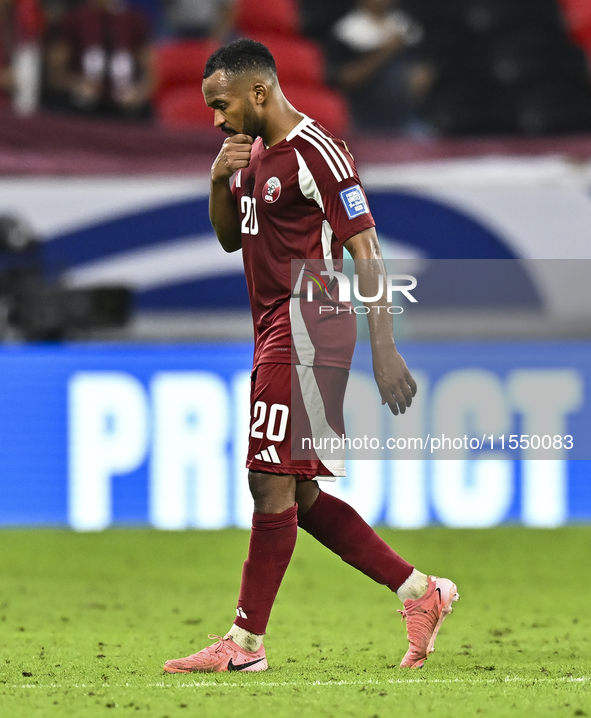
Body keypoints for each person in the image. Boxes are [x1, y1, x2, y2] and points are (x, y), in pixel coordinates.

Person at [163, 38, 458, 674]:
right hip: (274, 326)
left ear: (260, 91)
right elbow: (226, 237)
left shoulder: (317, 151)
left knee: (267, 482)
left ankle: (243, 647)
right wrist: (218, 178)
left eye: (222, 105)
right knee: (294, 492)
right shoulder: (250, 155)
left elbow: (367, 249)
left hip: (309, 317)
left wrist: (385, 348)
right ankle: (420, 592)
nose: (216, 118)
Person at [324, 0, 433, 133]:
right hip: (364, 121)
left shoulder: (405, 26)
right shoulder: (346, 30)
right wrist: (386, 51)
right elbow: (344, 78)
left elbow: (422, 67)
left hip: (406, 119)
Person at [46, 0, 154, 118]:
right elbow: (55, 74)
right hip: (82, 108)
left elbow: (151, 74)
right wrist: (76, 83)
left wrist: (137, 95)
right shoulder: (73, 18)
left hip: (124, 109)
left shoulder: (135, 20)